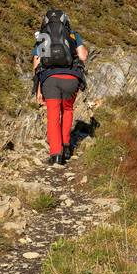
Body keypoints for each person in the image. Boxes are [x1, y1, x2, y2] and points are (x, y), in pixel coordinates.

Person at [31, 10, 88, 165]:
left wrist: (38, 88)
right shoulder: (72, 34)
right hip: (71, 78)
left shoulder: (42, 36)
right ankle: (66, 145)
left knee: (53, 115)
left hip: (50, 79)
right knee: (67, 110)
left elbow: (37, 64)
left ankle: (56, 154)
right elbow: (83, 56)